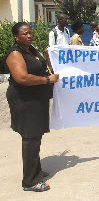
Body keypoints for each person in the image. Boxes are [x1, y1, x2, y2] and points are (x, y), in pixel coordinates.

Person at [5, 22, 59, 192]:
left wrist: (47, 55)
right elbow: (22, 78)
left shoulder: (31, 50)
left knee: (36, 135)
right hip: (24, 100)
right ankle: (29, 181)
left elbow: (41, 67)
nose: (29, 36)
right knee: (30, 137)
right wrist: (46, 80)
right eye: (24, 34)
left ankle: (35, 170)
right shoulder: (15, 53)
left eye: (30, 33)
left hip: (37, 98)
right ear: (16, 36)